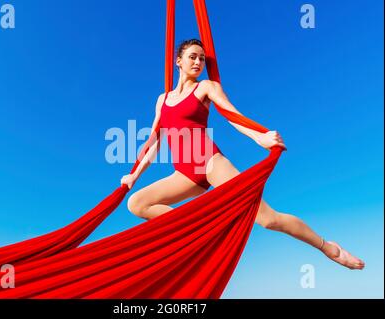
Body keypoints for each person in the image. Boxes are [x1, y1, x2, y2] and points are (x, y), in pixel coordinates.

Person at [121, 39, 364, 270]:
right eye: (192, 57)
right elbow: (154, 141)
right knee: (138, 203)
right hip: (184, 173)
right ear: (178, 61)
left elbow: (232, 116)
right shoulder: (162, 100)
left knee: (268, 219)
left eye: (202, 59)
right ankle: (197, 234)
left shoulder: (205, 87)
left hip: (210, 163)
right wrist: (133, 175)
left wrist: (260, 137)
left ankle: (328, 248)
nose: (197, 62)